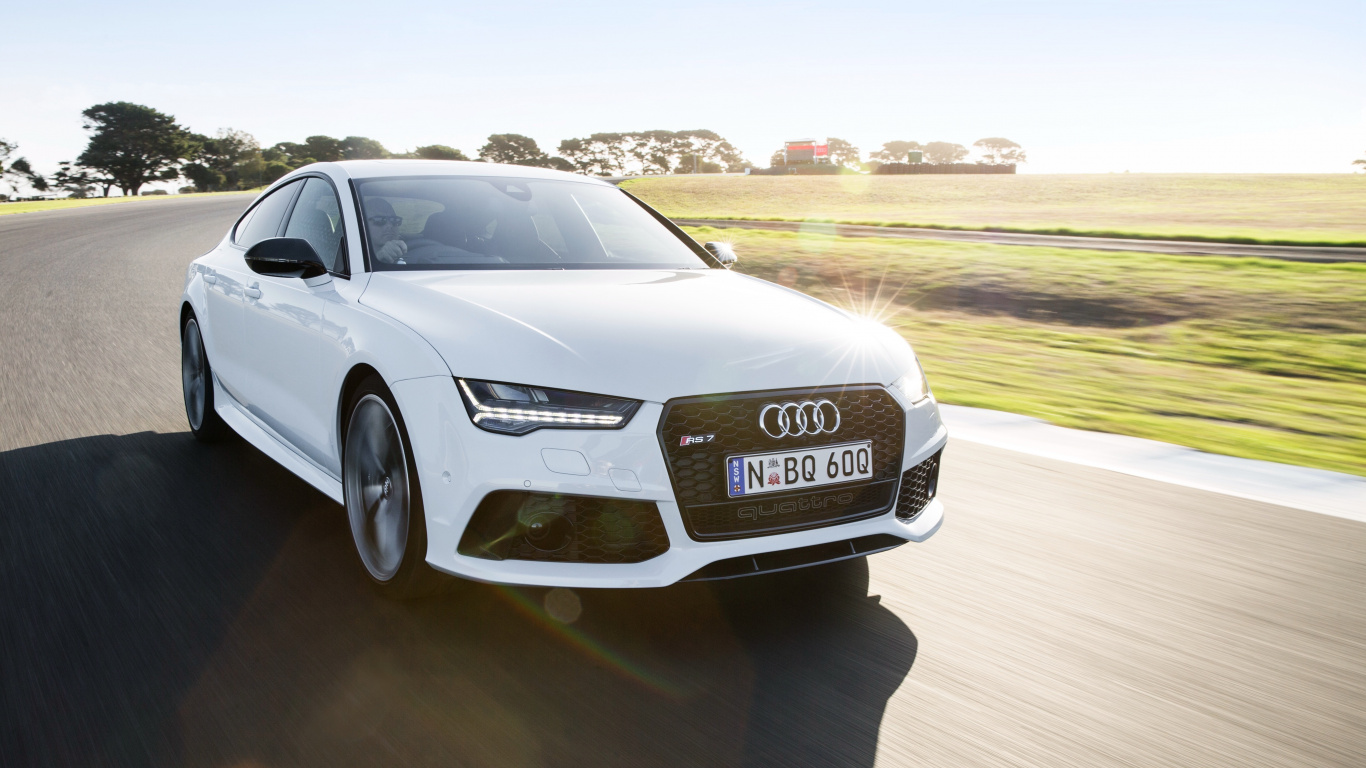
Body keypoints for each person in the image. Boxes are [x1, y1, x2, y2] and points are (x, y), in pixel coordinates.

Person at [364, 198, 409, 264]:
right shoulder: (352, 253)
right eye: (379, 220)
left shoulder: (415, 250)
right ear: (364, 224)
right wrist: (378, 257)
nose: (389, 225)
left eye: (394, 220)